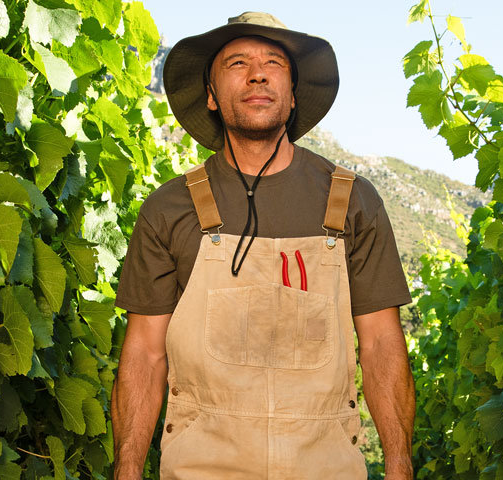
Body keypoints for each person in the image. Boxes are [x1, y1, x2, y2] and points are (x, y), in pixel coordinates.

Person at [110, 12, 415, 479]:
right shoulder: (169, 208)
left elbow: (379, 343)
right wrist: (127, 469)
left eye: (274, 61)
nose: (257, 73)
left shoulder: (352, 201)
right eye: (236, 63)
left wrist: (399, 464)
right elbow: (145, 353)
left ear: (292, 95)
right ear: (211, 96)